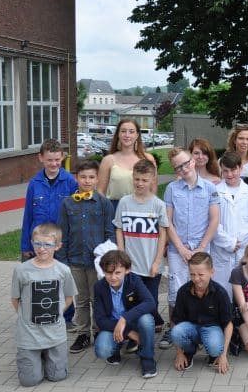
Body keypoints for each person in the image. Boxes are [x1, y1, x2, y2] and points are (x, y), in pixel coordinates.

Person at [160, 147, 221, 349]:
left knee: (201, 286)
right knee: (175, 291)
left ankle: (199, 327)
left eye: (186, 163)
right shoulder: (171, 189)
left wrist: (201, 248)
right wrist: (181, 248)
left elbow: (214, 221)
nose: (184, 168)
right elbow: (167, 221)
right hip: (179, 249)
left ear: (193, 161)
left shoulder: (210, 188)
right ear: (176, 170)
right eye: (179, 166)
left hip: (201, 248)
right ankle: (173, 327)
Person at [57, 159, 115, 354]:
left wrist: (108, 260)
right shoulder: (67, 204)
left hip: (96, 263)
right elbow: (62, 233)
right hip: (75, 260)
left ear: (98, 178)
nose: (87, 181)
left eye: (91, 177)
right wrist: (63, 260)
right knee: (80, 299)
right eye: (83, 177)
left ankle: (99, 331)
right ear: (76, 178)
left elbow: (110, 233)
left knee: (97, 298)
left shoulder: (104, 203)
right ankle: (83, 333)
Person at [11, 223, 76, 387]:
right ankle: (35, 357)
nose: (42, 249)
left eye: (47, 244)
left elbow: (69, 296)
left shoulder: (63, 270)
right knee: (29, 381)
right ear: (32, 243)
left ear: (58, 246)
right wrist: (25, 316)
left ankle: (46, 356)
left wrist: (59, 311)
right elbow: (15, 299)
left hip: (55, 335)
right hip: (29, 335)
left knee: (58, 376)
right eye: (37, 243)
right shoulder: (21, 270)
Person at [113, 159, 169, 331]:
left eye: (144, 180)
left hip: (151, 263)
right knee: (134, 299)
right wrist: (122, 257)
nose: (140, 183)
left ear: (152, 180)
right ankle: (144, 329)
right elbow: (119, 230)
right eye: (137, 179)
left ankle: (155, 322)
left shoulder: (158, 204)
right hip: (131, 265)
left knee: (151, 299)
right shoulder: (124, 202)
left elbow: (163, 234)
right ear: (132, 178)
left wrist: (157, 261)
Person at [92, 250, 158, 378]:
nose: (113, 277)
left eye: (118, 273)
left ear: (127, 270)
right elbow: (100, 319)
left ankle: (147, 358)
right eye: (108, 273)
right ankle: (115, 349)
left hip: (133, 322)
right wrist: (128, 332)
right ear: (103, 271)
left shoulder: (134, 280)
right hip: (112, 325)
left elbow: (150, 303)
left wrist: (124, 319)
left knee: (146, 320)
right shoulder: (99, 287)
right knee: (102, 350)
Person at [171, 252, 234, 373]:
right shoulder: (183, 291)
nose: (196, 279)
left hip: (212, 328)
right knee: (176, 332)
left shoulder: (220, 293)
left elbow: (228, 324)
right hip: (192, 328)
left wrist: (224, 355)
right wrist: (178, 353)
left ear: (212, 272)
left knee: (215, 348)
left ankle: (214, 353)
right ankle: (188, 351)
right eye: (192, 274)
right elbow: (175, 321)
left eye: (201, 274)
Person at [212, 152, 248, 297]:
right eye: (225, 170)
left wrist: (238, 241)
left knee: (244, 292)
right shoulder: (215, 192)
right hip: (221, 251)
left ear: (240, 169)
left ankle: (244, 318)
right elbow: (213, 221)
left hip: (243, 249)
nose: (229, 174)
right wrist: (229, 242)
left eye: (233, 170)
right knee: (222, 291)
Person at [21, 139, 77, 262]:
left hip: (60, 244)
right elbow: (28, 216)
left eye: (57, 160)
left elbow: (75, 216)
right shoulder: (34, 183)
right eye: (49, 160)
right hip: (38, 244)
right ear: (41, 158)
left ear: (62, 157)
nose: (53, 164)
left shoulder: (70, 182)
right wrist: (25, 245)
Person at [98, 119, 157, 209]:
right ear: (118, 134)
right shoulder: (108, 160)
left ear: (137, 135)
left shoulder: (148, 159)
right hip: (115, 208)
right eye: (123, 131)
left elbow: (153, 188)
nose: (127, 135)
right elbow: (100, 191)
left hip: (143, 207)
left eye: (131, 132)